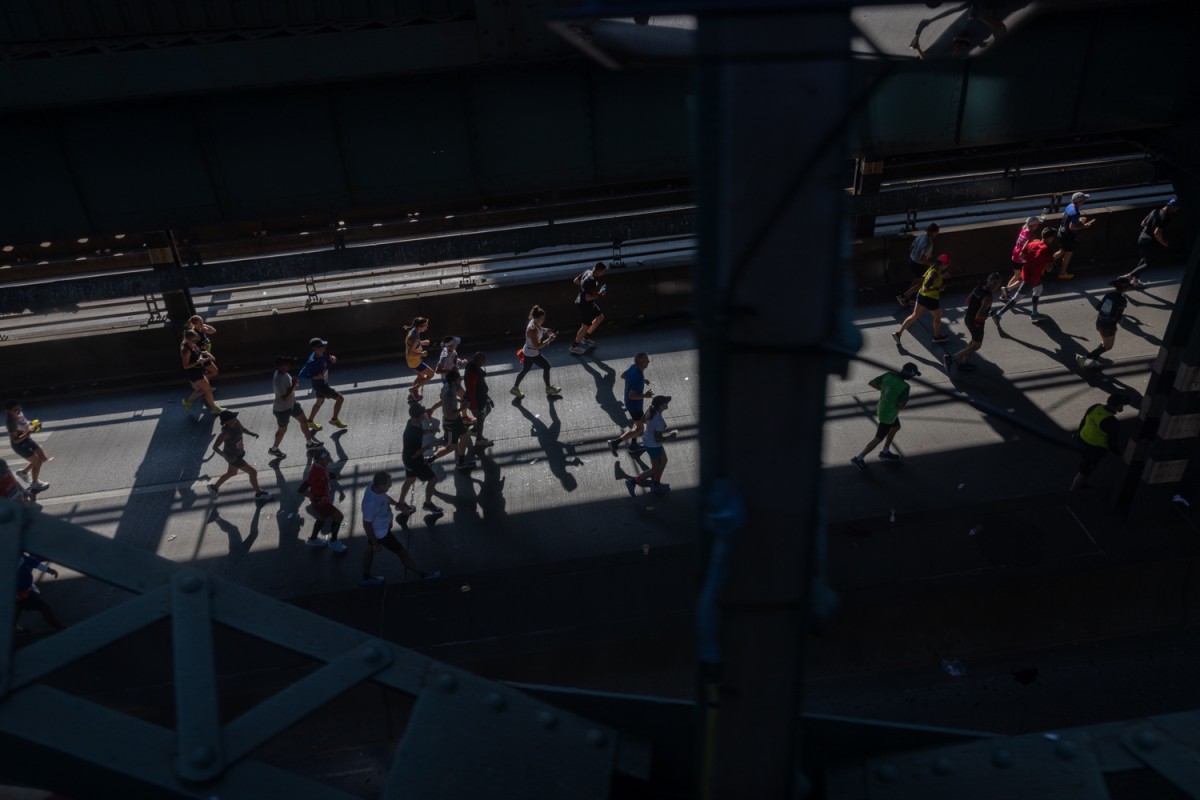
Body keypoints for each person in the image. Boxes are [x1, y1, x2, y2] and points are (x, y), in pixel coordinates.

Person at [360, 470, 441, 586]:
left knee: (369, 552)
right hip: (381, 534)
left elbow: (385, 497)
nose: (391, 485)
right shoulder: (371, 504)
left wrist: (398, 505)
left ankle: (365, 578)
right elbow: (366, 525)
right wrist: (375, 543)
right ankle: (423, 575)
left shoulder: (374, 488)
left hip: (379, 530)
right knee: (402, 552)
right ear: (381, 485)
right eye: (389, 483)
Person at [849, 362, 920, 470]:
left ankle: (885, 452)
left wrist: (884, 391)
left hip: (882, 408)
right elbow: (900, 406)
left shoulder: (889, 375)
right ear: (909, 375)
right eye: (913, 375)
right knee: (878, 438)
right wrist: (902, 402)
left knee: (896, 427)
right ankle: (859, 458)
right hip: (889, 415)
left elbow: (871, 383)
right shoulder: (905, 386)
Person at [992, 227, 1059, 323]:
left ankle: (1034, 312)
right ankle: (999, 315)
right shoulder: (1047, 250)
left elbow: (1021, 257)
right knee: (1017, 298)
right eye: (1053, 237)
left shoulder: (1033, 243)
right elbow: (1049, 269)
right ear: (1050, 238)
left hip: (1027, 272)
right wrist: (1052, 260)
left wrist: (1033, 261)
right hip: (1032, 277)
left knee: (1038, 289)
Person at [944, 273, 1002, 373]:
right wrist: (990, 313)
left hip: (968, 318)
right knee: (976, 346)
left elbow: (967, 301)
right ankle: (951, 358)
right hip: (977, 323)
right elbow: (979, 315)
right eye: (999, 284)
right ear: (995, 285)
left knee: (973, 342)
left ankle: (964, 364)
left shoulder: (978, 288)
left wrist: (976, 307)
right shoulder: (989, 297)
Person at [1071, 393, 1129, 490]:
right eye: (1122, 405)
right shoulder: (1113, 422)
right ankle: (1073, 491)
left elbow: (1083, 421)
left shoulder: (1095, 407)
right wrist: (1120, 455)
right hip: (1093, 450)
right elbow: (1112, 443)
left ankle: (1081, 484)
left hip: (1081, 439)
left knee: (1086, 468)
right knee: (1084, 472)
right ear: (1119, 406)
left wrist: (1079, 434)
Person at [208, 410, 271, 500]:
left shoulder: (236, 422)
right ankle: (259, 493)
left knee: (232, 473)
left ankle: (214, 488)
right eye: (232, 418)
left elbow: (242, 429)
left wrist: (251, 433)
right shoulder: (225, 434)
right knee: (253, 472)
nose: (235, 418)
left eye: (234, 417)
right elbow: (215, 447)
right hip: (233, 458)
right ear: (226, 421)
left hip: (239, 452)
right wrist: (224, 456)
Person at [268, 356, 322, 458]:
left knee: (304, 421)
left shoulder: (284, 373)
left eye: (288, 365)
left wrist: (293, 386)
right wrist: (293, 386)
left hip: (292, 404)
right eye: (286, 365)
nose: (288, 367)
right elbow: (283, 398)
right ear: (280, 367)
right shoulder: (278, 380)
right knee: (282, 430)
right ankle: (274, 449)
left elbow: (289, 387)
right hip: (282, 410)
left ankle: (309, 443)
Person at [397, 403, 445, 518]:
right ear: (415, 417)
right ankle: (428, 503)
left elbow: (420, 432)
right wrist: (428, 446)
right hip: (414, 461)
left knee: (410, 479)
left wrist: (430, 430)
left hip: (407, 459)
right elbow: (415, 454)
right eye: (422, 417)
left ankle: (401, 503)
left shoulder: (412, 423)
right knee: (433, 479)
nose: (424, 418)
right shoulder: (411, 434)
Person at [893, 254, 951, 345]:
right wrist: (938, 289)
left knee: (914, 316)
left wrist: (942, 276)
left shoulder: (933, 268)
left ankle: (898, 333)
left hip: (921, 296)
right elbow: (926, 288)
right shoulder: (934, 273)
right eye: (947, 264)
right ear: (943, 264)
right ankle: (937, 336)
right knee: (937, 317)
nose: (947, 266)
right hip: (931, 298)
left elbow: (925, 281)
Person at [626, 395, 676, 495]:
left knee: (664, 460)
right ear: (661, 406)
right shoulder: (659, 421)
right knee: (655, 469)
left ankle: (656, 483)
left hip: (648, 440)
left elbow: (644, 420)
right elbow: (658, 439)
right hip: (653, 445)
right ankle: (633, 482)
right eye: (666, 402)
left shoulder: (651, 411)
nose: (668, 403)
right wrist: (670, 437)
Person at [1076, 278, 1132, 369]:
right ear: (1125, 289)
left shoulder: (1108, 294)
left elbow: (1098, 307)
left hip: (1100, 322)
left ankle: (1095, 360)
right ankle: (1083, 359)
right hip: (1108, 326)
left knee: (1104, 343)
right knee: (1108, 346)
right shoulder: (1122, 300)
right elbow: (1118, 317)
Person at [1123, 198, 1179, 285]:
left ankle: (1135, 280)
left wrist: (1150, 226)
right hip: (1149, 242)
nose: (1176, 210)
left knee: (1145, 259)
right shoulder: (1167, 217)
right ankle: (1128, 276)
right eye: (1176, 208)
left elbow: (1143, 223)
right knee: (1149, 263)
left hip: (1141, 237)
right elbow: (1157, 232)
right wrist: (1163, 242)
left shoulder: (1155, 211)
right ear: (1171, 206)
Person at [511, 305, 561, 399]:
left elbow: (540, 328)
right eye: (542, 319)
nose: (544, 320)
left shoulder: (534, 322)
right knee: (546, 366)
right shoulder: (532, 330)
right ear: (536, 318)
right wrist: (549, 339)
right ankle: (548, 388)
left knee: (525, 370)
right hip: (532, 353)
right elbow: (537, 346)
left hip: (528, 351)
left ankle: (515, 388)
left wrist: (547, 330)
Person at [301, 449, 346, 552]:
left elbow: (326, 474)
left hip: (323, 499)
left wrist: (335, 476)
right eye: (326, 459)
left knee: (322, 517)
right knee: (339, 517)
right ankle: (333, 542)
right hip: (321, 502)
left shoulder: (320, 466)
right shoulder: (315, 472)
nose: (329, 461)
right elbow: (301, 490)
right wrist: (314, 497)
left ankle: (313, 539)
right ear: (320, 460)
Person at [430, 369, 475, 471]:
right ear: (454, 381)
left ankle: (461, 460)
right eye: (459, 378)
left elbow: (442, 398)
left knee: (465, 436)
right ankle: (430, 460)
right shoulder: (450, 393)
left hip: (456, 421)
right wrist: (463, 407)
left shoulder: (447, 386)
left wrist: (459, 400)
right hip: (451, 424)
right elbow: (450, 413)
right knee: (451, 447)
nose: (461, 378)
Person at [608, 352, 653, 455]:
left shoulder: (634, 367)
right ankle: (615, 442)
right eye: (646, 360)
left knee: (637, 424)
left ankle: (633, 445)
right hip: (635, 406)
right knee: (640, 428)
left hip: (630, 404)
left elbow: (623, 375)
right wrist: (645, 395)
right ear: (641, 363)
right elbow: (632, 396)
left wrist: (642, 381)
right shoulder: (638, 376)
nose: (648, 362)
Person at [298, 337, 347, 430]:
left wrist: (332, 360)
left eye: (324, 345)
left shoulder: (322, 353)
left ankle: (310, 421)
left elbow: (327, 360)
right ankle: (334, 419)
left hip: (322, 383)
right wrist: (314, 377)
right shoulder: (311, 362)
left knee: (319, 402)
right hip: (320, 386)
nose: (324, 347)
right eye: (321, 346)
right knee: (340, 398)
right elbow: (302, 374)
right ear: (315, 349)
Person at [4, 401, 51, 494]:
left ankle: (24, 472)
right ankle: (35, 483)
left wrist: (33, 423)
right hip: (20, 445)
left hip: (27, 440)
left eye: (20, 408)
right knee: (37, 462)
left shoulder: (19, 414)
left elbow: (25, 422)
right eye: (16, 409)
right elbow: (15, 440)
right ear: (8, 411)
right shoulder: (11, 422)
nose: (18, 411)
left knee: (43, 458)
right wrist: (29, 432)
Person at [15, 552, 65, 632]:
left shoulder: (22, 557)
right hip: (17, 594)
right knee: (43, 608)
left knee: (17, 608)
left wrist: (50, 570)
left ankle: (12, 627)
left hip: (25, 593)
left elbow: (34, 563)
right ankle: (62, 629)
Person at [1054, 191, 1095, 280]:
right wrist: (1084, 226)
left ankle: (1043, 264)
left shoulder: (1069, 206)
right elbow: (1072, 227)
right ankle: (1063, 273)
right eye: (1084, 199)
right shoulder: (1076, 212)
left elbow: (1064, 216)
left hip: (1061, 232)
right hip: (1068, 236)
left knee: (1062, 251)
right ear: (1080, 201)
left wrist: (1078, 221)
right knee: (1068, 254)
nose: (1084, 201)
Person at [180, 330, 222, 416]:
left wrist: (205, 353)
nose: (196, 342)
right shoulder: (185, 350)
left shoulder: (192, 344)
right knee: (208, 390)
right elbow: (185, 366)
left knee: (204, 389)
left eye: (196, 340)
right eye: (194, 340)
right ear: (188, 339)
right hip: (194, 373)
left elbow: (197, 353)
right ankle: (214, 408)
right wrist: (198, 362)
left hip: (199, 370)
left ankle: (187, 401)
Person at [896, 223, 939, 308]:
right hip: (917, 264)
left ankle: (907, 299)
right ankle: (903, 296)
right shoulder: (929, 243)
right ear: (934, 232)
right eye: (937, 232)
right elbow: (922, 259)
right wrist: (932, 264)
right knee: (922, 283)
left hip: (911, 260)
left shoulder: (921, 236)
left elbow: (911, 247)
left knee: (917, 281)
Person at [1002, 215, 1043, 302]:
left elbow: (1020, 243)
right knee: (1024, 279)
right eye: (1036, 224)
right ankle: (1007, 290)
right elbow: (1026, 247)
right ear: (1033, 225)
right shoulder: (1031, 234)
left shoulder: (1023, 230)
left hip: (1015, 256)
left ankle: (1005, 294)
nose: (1038, 226)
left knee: (1016, 276)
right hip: (1022, 259)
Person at [570, 261, 608, 355]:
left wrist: (584, 288)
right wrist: (600, 294)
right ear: (599, 271)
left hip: (586, 301)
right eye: (603, 272)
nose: (603, 274)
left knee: (600, 318)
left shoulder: (587, 272)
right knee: (585, 326)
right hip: (584, 304)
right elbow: (587, 298)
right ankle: (573, 347)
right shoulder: (591, 281)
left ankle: (585, 338)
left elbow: (576, 281)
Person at [464, 352, 494, 448]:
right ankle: (479, 439)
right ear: (479, 360)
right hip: (477, 400)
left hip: (482, 396)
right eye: (483, 360)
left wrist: (488, 397)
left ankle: (474, 430)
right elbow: (471, 391)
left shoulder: (475, 367)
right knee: (480, 417)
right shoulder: (473, 373)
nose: (485, 362)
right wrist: (474, 407)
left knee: (488, 409)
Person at [403, 317, 435, 403]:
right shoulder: (415, 337)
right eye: (426, 325)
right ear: (420, 326)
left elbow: (412, 343)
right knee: (431, 374)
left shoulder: (413, 331)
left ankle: (411, 396)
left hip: (413, 361)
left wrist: (422, 342)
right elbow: (410, 353)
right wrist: (422, 353)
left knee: (420, 377)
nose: (427, 327)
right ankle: (413, 389)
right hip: (415, 361)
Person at [187, 315, 219, 380]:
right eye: (200, 322)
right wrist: (201, 346)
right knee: (215, 372)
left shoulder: (202, 328)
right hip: (201, 355)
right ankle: (201, 383)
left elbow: (213, 331)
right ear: (195, 324)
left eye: (202, 321)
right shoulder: (194, 333)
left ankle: (206, 386)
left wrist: (203, 325)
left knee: (207, 371)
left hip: (207, 353)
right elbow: (191, 346)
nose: (202, 323)